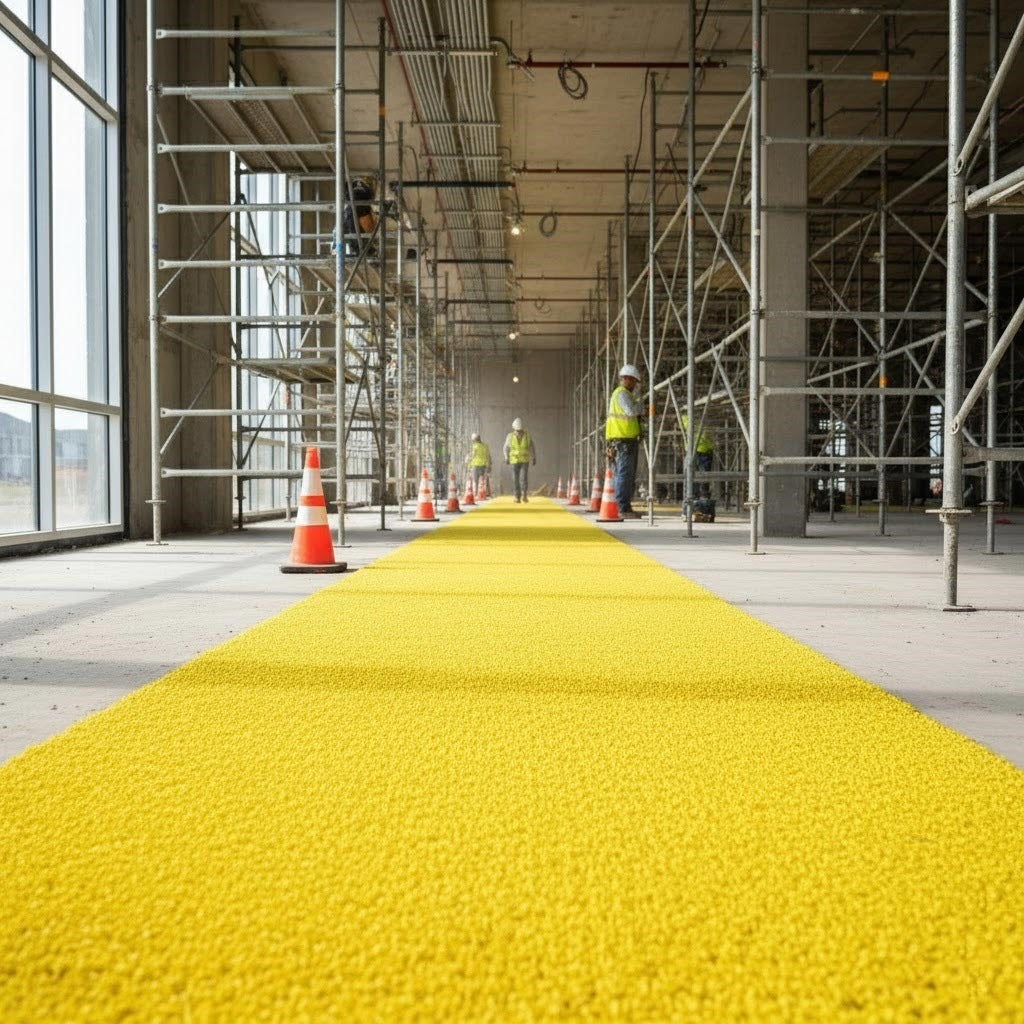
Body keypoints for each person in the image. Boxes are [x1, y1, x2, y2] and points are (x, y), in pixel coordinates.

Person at [605, 364, 644, 518]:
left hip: (623, 440)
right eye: (633, 381)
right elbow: (631, 411)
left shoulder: (623, 395)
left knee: (624, 474)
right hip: (623, 441)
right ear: (626, 379)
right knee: (624, 475)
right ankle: (622, 507)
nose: (635, 385)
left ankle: (624, 506)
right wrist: (642, 406)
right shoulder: (622, 394)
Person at [503, 417, 536, 503]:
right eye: (517, 431)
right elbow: (506, 448)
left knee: (524, 478)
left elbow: (532, 447)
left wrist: (534, 457)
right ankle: (517, 497)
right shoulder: (509, 436)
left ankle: (524, 495)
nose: (519, 432)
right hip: (514, 461)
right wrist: (506, 457)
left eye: (520, 431)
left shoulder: (527, 436)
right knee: (515, 479)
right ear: (514, 429)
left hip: (525, 460)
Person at [681, 414, 714, 498]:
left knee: (691, 476)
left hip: (696, 451)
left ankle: (693, 498)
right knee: (703, 477)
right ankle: (702, 498)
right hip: (703, 451)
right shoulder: (707, 418)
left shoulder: (685, 418)